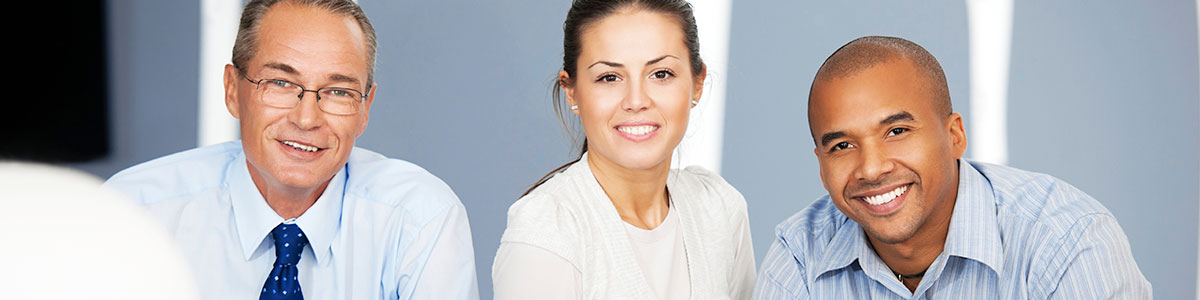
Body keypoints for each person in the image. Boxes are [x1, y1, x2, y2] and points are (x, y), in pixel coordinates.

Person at [104, 0, 478, 299]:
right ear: (233, 90)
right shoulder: (135, 212)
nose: (306, 118)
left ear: (365, 109)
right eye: (281, 83)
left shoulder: (418, 219)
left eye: (338, 92)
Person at [753, 36, 1151, 299]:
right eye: (842, 145)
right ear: (821, 165)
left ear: (955, 135)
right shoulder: (801, 254)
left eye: (897, 130)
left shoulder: (1064, 241)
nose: (871, 169)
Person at [492, 0, 755, 299]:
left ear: (697, 83)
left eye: (661, 73)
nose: (636, 100)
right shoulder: (547, 229)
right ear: (572, 91)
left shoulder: (719, 207)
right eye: (609, 77)